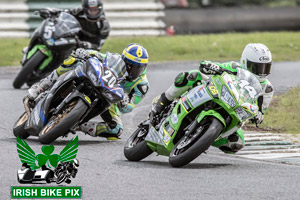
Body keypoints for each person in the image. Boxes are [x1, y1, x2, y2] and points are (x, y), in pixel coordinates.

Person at [150, 43, 273, 154]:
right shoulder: (234, 67)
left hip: (234, 113)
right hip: (216, 94)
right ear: (245, 62)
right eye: (258, 67)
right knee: (192, 76)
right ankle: (163, 101)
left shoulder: (267, 88)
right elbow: (211, 66)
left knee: (237, 143)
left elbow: (261, 110)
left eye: (265, 67)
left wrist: (258, 116)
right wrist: (212, 66)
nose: (262, 72)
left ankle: (203, 139)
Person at [25, 44, 150, 140]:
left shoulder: (142, 85)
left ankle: (76, 124)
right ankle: (42, 85)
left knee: (116, 130)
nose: (132, 70)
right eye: (129, 65)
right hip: (94, 80)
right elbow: (97, 55)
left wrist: (124, 102)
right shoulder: (114, 60)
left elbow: (128, 108)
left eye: (138, 67)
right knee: (73, 60)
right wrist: (85, 53)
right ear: (123, 60)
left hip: (110, 99)